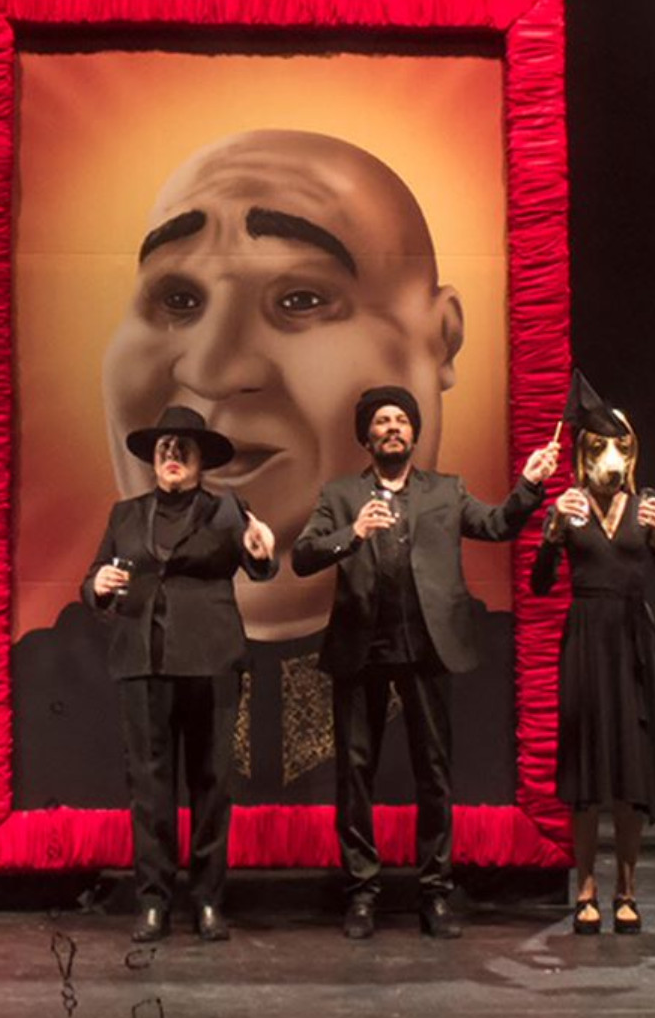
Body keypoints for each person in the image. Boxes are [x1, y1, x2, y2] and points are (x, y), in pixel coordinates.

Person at [102, 129, 467, 643]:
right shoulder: (63, 670)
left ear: (441, 338)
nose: (213, 371)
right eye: (178, 298)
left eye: (300, 299)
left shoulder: (473, 656)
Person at [293, 386, 558, 939]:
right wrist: (352, 534)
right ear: (366, 437)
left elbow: (496, 525)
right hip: (361, 647)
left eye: (401, 421)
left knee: (434, 775)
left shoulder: (445, 489)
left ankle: (434, 892)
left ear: (414, 434)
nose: (392, 428)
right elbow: (301, 556)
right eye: (382, 421)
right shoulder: (341, 494)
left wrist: (530, 483)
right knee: (355, 774)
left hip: (428, 648)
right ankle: (362, 892)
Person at [82, 406, 278, 943]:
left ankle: (209, 900)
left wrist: (262, 554)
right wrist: (96, 585)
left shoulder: (227, 510)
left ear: (199, 461)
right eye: (164, 447)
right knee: (149, 787)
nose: (171, 456)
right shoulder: (126, 515)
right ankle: (153, 901)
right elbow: (94, 580)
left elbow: (260, 562)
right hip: (143, 660)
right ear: (153, 460)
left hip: (211, 660)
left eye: (182, 448)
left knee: (212, 786)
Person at [531, 393, 655, 936]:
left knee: (629, 774)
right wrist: (551, 535)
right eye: (602, 447)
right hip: (587, 641)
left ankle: (628, 888)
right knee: (588, 774)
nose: (612, 458)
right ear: (585, 454)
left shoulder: (648, 504)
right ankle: (586, 886)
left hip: (633, 640)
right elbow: (540, 584)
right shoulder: (568, 506)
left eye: (621, 446)